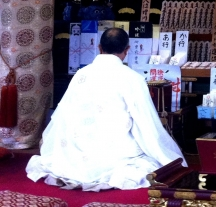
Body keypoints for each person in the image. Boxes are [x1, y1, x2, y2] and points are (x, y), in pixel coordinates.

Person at [26, 28, 185, 191]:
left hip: (77, 147)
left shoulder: (81, 74)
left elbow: (64, 114)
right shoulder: (132, 78)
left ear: (100, 48)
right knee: (150, 157)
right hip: (114, 148)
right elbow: (145, 120)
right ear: (127, 50)